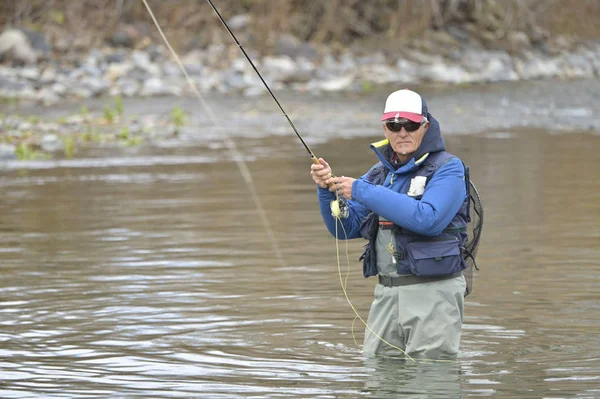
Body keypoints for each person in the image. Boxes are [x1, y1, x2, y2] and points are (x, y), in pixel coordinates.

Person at [310, 89, 469, 359]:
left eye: (410, 124)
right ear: (385, 128)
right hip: (387, 294)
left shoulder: (449, 169)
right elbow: (344, 228)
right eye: (394, 126)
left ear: (425, 126)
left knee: (431, 378)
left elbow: (428, 219)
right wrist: (327, 191)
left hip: (434, 293)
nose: (402, 132)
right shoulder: (378, 174)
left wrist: (361, 190)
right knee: (379, 376)